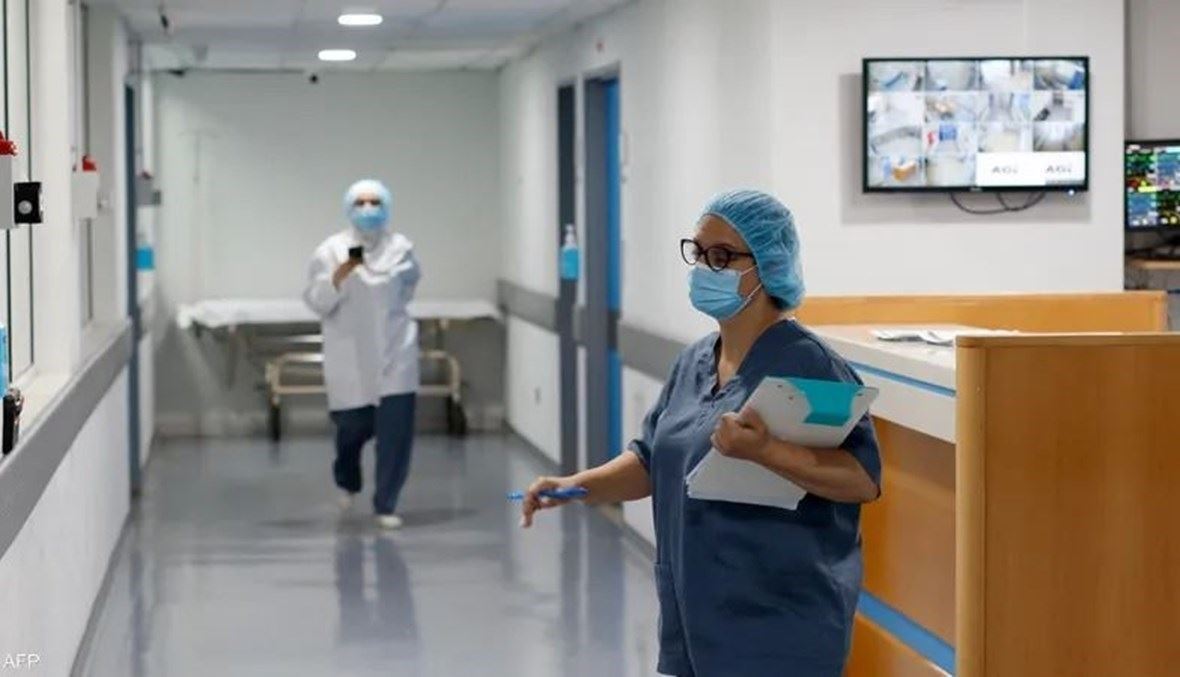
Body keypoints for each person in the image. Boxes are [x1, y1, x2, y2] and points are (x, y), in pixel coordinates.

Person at [521, 189, 881, 676]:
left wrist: (767, 451)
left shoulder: (808, 366)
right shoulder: (695, 360)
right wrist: (574, 487)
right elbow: (650, 461)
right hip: (697, 619)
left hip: (780, 627)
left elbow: (861, 479)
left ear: (767, 266)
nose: (704, 269)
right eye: (698, 252)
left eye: (722, 257)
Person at [304, 179, 421, 530]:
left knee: (395, 435)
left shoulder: (401, 249)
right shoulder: (331, 250)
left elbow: (409, 288)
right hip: (351, 355)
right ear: (348, 208)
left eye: (375, 202)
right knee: (352, 430)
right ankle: (347, 478)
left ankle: (386, 503)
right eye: (361, 203)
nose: (369, 210)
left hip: (395, 353)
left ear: (387, 207)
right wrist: (340, 275)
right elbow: (317, 301)